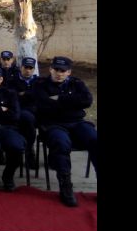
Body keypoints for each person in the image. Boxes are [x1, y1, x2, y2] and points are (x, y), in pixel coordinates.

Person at [32, 56, 98, 207]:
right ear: (50, 69)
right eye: (56, 69)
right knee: (61, 143)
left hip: (77, 123)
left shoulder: (77, 83)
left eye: (63, 71)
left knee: (95, 139)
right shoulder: (40, 84)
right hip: (53, 124)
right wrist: (72, 101)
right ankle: (66, 186)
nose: (59, 73)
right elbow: (43, 104)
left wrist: (59, 99)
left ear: (69, 72)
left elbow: (87, 101)